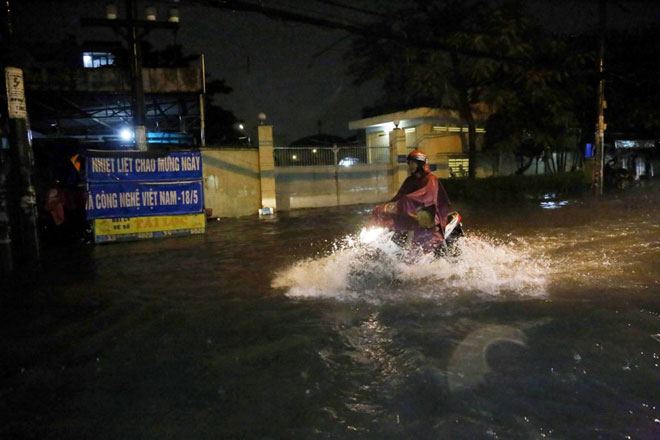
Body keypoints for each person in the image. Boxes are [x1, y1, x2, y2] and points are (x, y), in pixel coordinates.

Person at [370, 150, 452, 252]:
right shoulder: (409, 180)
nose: (411, 166)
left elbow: (426, 197)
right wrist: (384, 207)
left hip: (427, 215)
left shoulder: (431, 179)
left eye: (413, 163)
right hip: (411, 213)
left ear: (421, 164)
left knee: (421, 245)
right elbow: (399, 196)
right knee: (392, 224)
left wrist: (407, 201)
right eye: (410, 163)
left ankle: (422, 258)